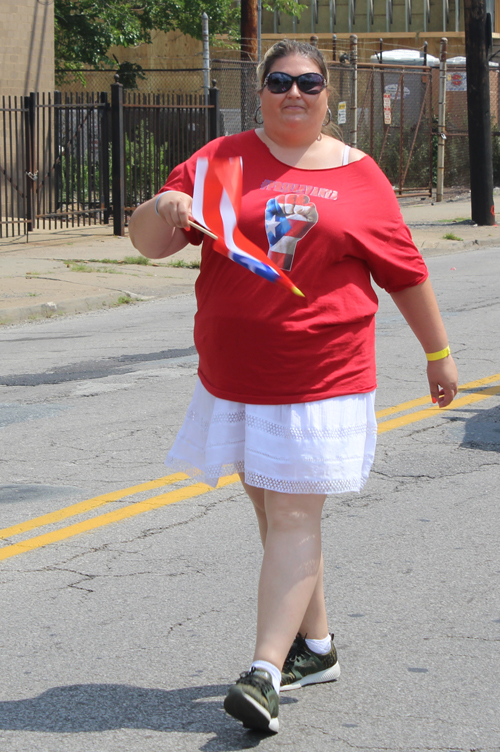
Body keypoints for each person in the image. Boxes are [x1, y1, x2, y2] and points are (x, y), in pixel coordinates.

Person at [128, 39, 458, 735]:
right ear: (261, 92)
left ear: (329, 94)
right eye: (280, 82)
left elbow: (404, 271)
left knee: (293, 518)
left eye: (308, 83)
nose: (294, 93)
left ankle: (265, 673)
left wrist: (439, 352)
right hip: (235, 378)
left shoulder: (361, 175)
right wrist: (162, 204)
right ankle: (319, 646)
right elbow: (150, 242)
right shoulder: (220, 161)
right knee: (274, 515)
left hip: (322, 378)